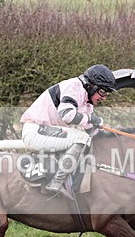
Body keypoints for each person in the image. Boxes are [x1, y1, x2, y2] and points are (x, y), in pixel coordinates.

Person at [20, 64, 117, 196]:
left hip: (48, 131)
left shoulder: (87, 102)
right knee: (81, 138)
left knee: (86, 138)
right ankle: (56, 182)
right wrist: (93, 119)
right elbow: (67, 115)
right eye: (102, 92)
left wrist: (109, 136)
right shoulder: (73, 87)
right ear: (91, 86)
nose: (104, 97)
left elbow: (90, 130)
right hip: (35, 131)